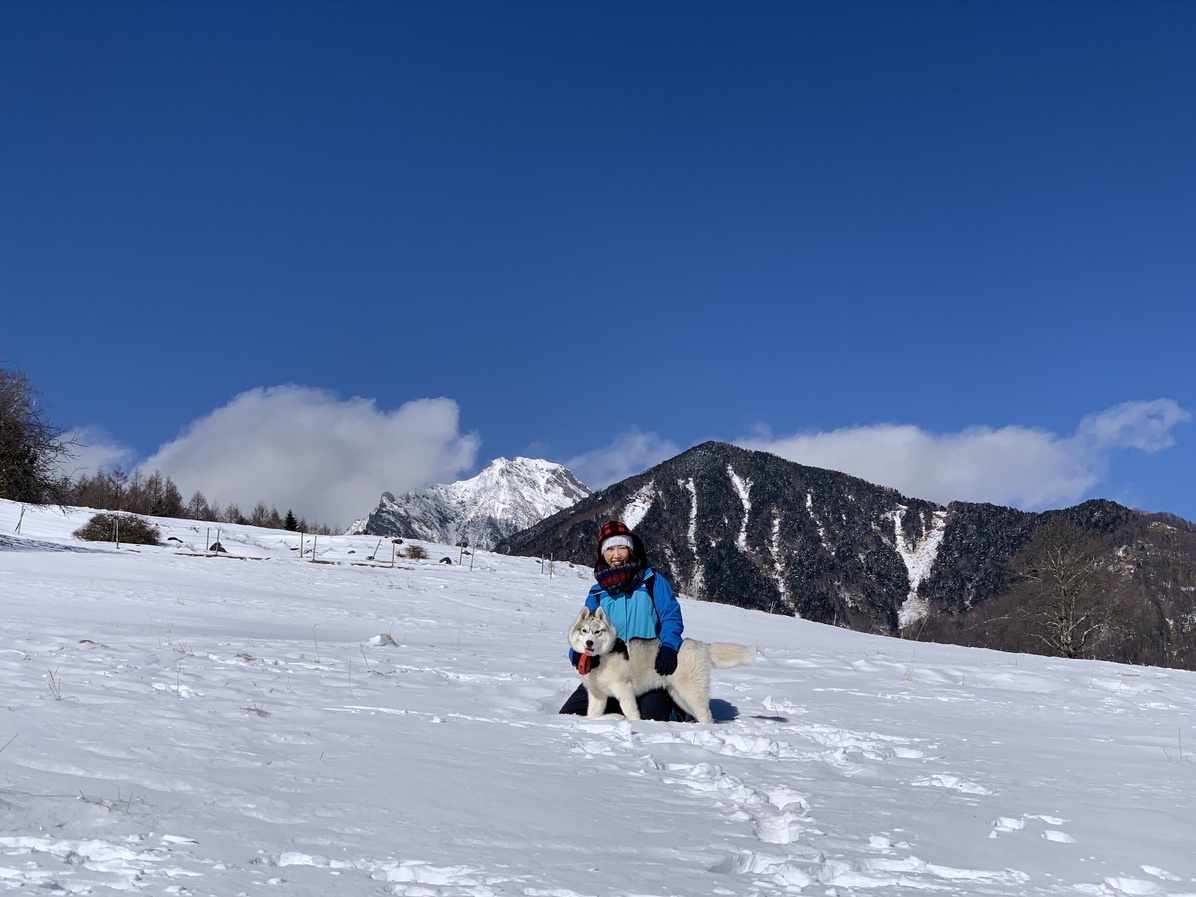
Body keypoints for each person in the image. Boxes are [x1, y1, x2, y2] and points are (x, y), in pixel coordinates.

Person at [559, 520, 692, 721]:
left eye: (622, 547)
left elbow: (671, 617)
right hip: (609, 669)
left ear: (632, 550)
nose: (616, 555)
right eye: (610, 549)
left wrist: (669, 647)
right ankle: (620, 705)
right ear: (602, 554)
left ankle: (678, 708)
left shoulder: (652, 581)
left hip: (648, 667)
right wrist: (577, 655)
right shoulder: (597, 593)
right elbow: (583, 629)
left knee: (653, 720)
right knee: (571, 715)